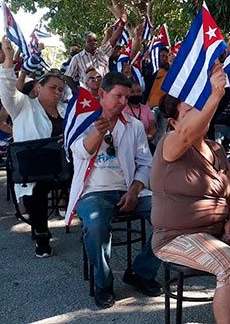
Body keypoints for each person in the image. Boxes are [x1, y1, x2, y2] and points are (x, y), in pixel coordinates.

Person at [151, 66, 230, 324]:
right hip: (175, 237)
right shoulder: (170, 142)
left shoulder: (215, 147)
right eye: (191, 111)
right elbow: (187, 134)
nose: (200, 114)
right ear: (175, 122)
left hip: (219, 229)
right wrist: (215, 94)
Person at [65, 72, 161, 308]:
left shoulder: (135, 126)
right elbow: (78, 153)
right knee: (97, 225)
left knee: (170, 217)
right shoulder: (86, 120)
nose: (123, 102)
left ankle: (141, 271)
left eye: (126, 97)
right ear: (101, 94)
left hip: (129, 189)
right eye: (118, 96)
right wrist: (98, 132)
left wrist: (135, 191)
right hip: (94, 191)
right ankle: (104, 283)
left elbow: (145, 163)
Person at [0, 37, 66, 256]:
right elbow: (7, 90)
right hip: (34, 172)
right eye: (53, 87)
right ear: (38, 87)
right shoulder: (23, 106)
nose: (57, 92)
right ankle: (42, 236)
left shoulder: (66, 111)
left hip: (65, 166)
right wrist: (9, 60)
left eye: (61, 89)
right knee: (38, 191)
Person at [63, 12, 127, 89]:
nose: (93, 43)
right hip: (88, 96)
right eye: (90, 41)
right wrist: (76, 91)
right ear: (84, 43)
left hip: (105, 91)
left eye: (95, 40)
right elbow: (67, 77)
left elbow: (114, 38)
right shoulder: (77, 58)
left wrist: (122, 25)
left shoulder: (103, 51)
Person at [123, 82, 157, 148]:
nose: (136, 94)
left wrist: (149, 137)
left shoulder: (146, 109)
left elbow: (153, 129)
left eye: (139, 91)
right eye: (132, 92)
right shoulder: (122, 109)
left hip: (145, 144)